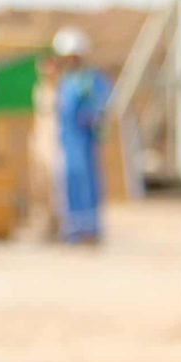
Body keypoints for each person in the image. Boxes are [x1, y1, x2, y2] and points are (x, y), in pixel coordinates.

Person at [50, 27, 113, 245]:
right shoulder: (65, 80)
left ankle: (90, 229)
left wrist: (92, 116)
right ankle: (73, 230)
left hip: (83, 140)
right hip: (67, 140)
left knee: (87, 183)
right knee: (68, 184)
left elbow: (104, 101)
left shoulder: (91, 79)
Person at [27, 51, 61, 241]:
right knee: (40, 185)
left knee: (56, 186)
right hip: (41, 140)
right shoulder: (39, 88)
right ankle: (45, 225)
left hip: (56, 141)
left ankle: (58, 224)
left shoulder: (62, 89)